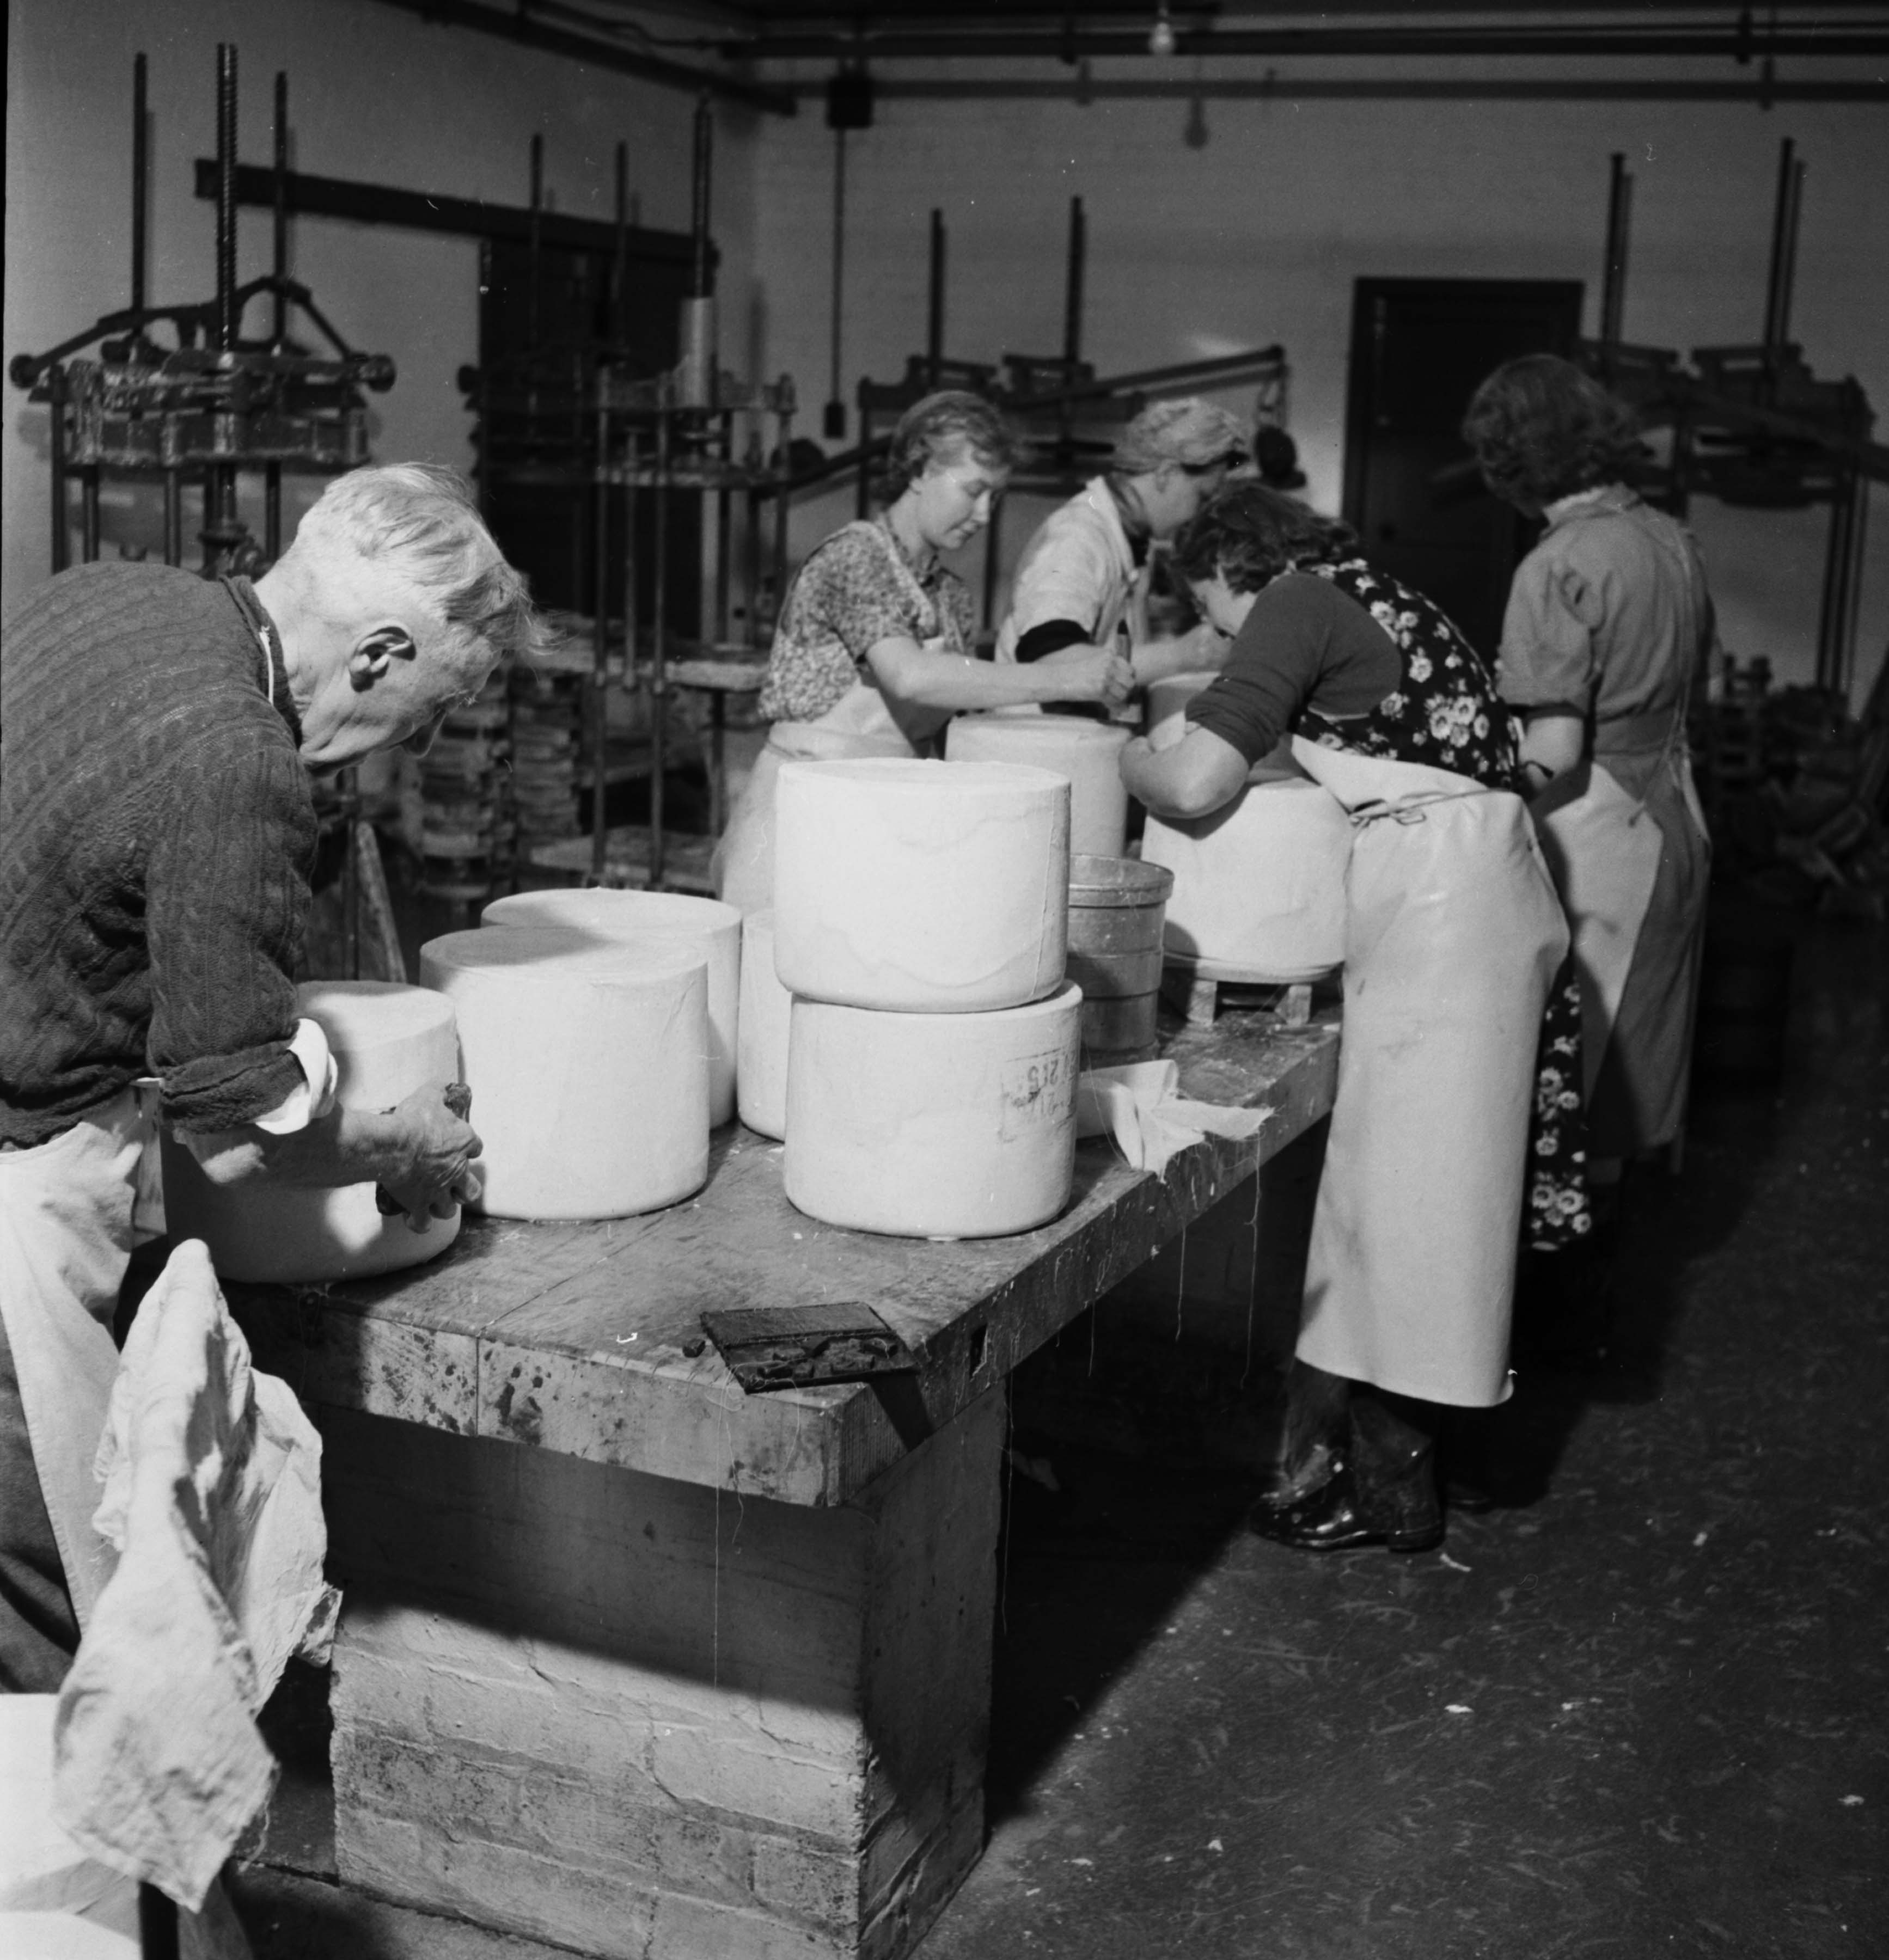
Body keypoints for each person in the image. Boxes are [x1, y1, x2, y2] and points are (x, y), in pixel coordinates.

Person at [0, 462, 540, 1689]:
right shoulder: (236, 762)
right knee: (62, 1650)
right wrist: (396, 1140)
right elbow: (240, 1140)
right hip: (13, 1199)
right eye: (438, 707)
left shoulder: (115, 596)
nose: (421, 743)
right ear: (380, 653)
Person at [1120, 483, 1589, 1553]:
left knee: (1409, 1202)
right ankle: (1427, 1458)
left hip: (1444, 899)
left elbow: (1193, 782)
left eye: (1219, 614)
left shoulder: (1292, 600)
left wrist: (1128, 759)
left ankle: (1388, 1490)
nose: (1233, 640)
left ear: (1232, 568)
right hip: (1479, 880)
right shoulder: (1371, 591)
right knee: (1443, 1194)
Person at [716, 390, 1133, 911]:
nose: (984, 514)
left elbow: (945, 716)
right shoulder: (854, 558)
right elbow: (911, 677)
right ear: (918, 470)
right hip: (805, 810)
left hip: (887, 812)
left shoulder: (949, 594)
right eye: (973, 490)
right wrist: (1068, 679)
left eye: (995, 498)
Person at [1463, 355, 1713, 1198]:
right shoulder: (1666, 536)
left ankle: (1566, 1295)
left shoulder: (1559, 563)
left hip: (1601, 828)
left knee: (1574, 1078)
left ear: (1508, 460)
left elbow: (1557, 749)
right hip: (1674, 813)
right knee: (1626, 1069)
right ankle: (1603, 1279)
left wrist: (1469, 790)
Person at [994, 396, 1249, 691]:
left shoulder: (1132, 537)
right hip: (1032, 733)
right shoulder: (1077, 537)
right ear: (1166, 474)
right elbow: (1052, 659)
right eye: (1202, 497)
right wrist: (1181, 655)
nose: (1198, 514)